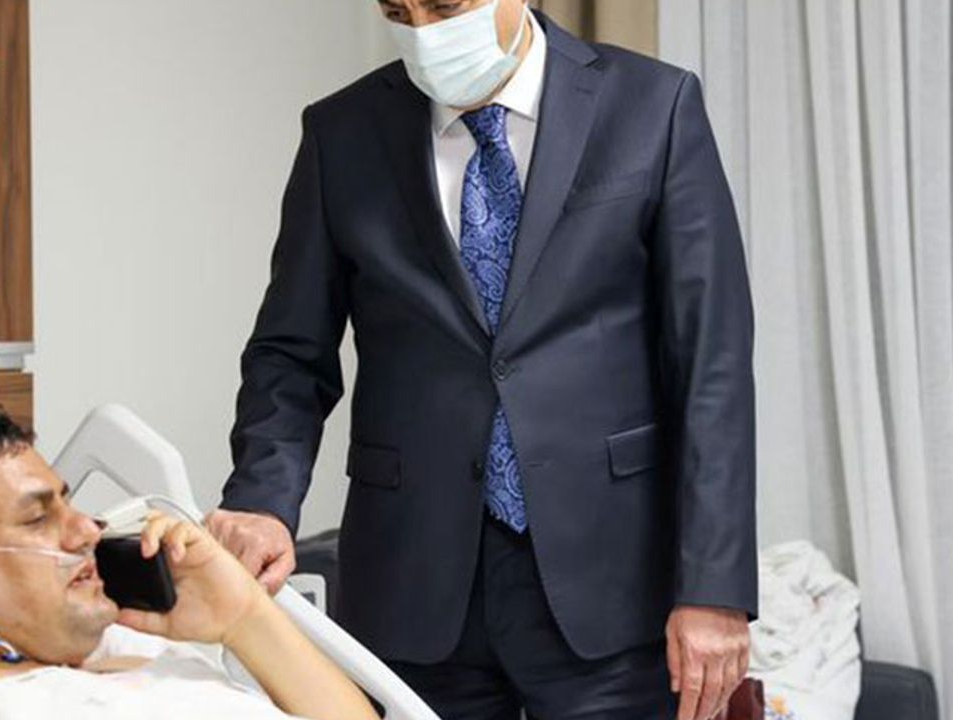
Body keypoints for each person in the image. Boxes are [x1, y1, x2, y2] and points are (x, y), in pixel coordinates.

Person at [208, 1, 756, 719]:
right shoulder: (341, 132)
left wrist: (714, 585)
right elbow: (289, 354)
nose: (424, 31)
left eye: (446, 5)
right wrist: (261, 499)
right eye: (399, 9)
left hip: (612, 584)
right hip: (412, 583)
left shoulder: (653, 107)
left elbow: (712, 364)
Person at [0, 409, 379, 720]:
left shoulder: (144, 660)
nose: (87, 530)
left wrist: (244, 617)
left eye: (69, 504)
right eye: (38, 518)